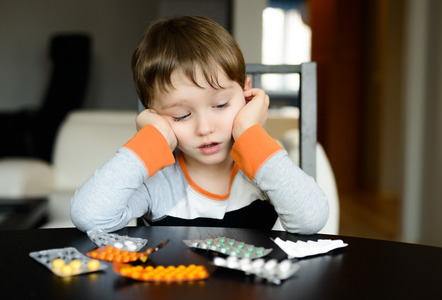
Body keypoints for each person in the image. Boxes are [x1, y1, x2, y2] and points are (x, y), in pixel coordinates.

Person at [71, 15, 329, 234]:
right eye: (181, 116)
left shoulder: (263, 167)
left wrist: (250, 132)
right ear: (156, 116)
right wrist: (152, 137)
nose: (205, 128)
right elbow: (90, 217)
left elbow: (311, 220)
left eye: (220, 105)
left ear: (246, 93)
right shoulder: (160, 182)